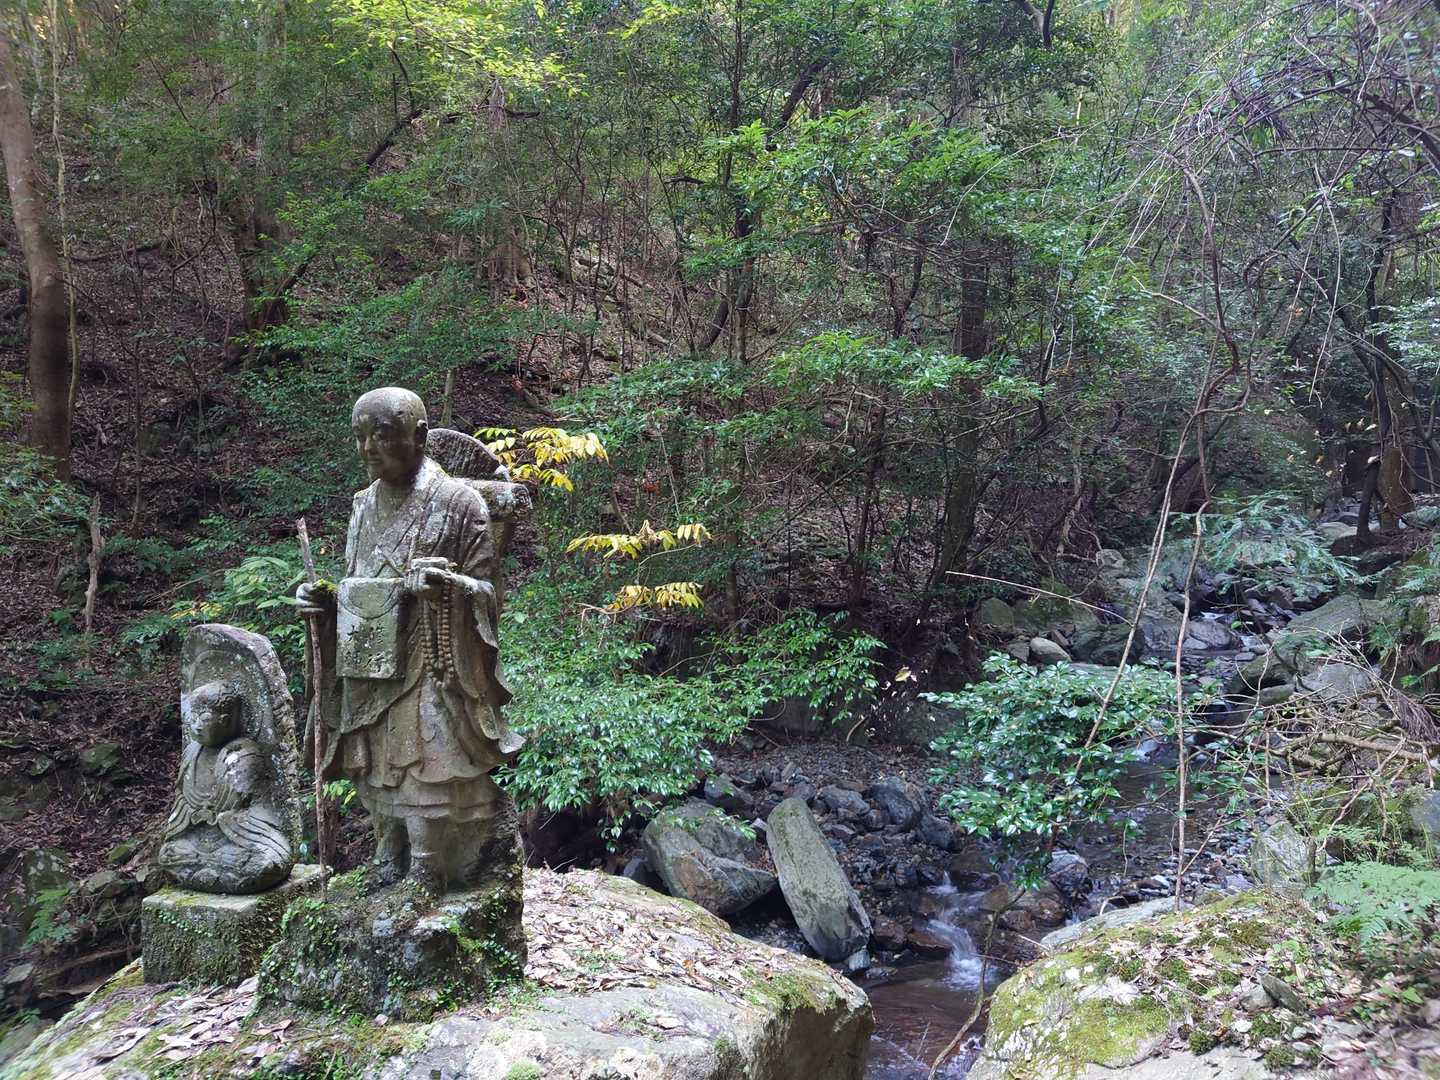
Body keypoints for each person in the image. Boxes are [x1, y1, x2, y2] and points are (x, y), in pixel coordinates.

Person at [295, 387, 523, 895]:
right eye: (359, 437)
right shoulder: (362, 506)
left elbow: (489, 592)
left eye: (382, 435)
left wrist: (449, 586)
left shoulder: (458, 502)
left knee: (427, 754)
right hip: (370, 652)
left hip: (431, 656)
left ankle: (427, 868)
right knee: (375, 757)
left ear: (419, 436)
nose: (368, 449)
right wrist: (323, 602)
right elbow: (356, 582)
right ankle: (387, 851)